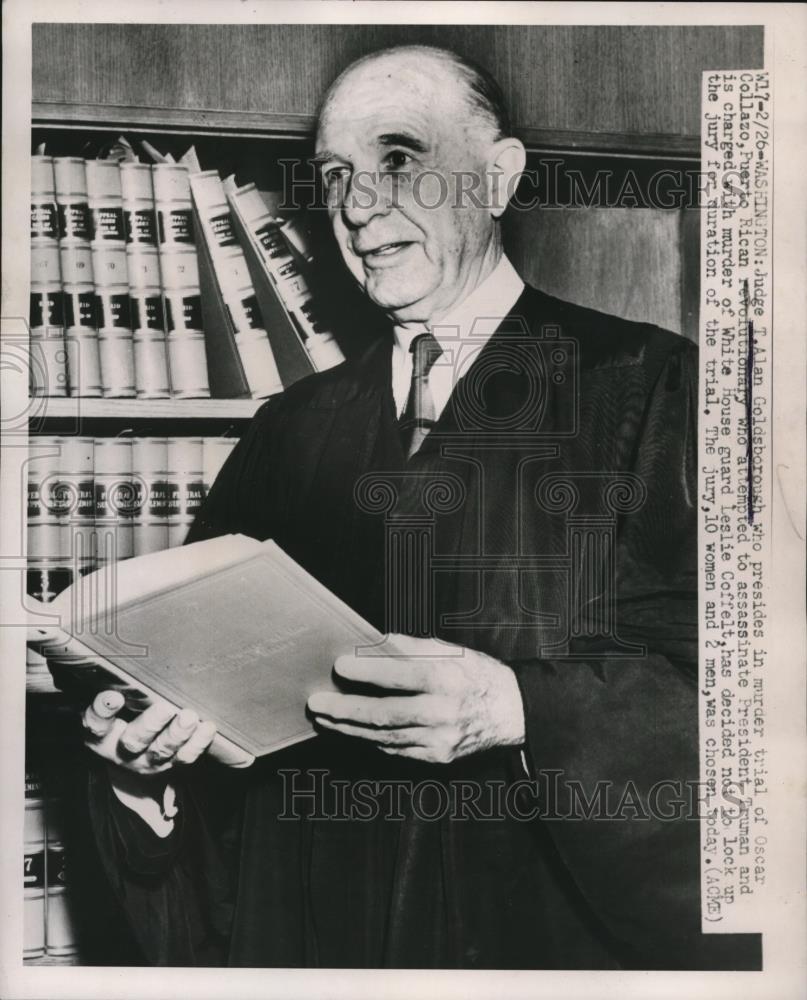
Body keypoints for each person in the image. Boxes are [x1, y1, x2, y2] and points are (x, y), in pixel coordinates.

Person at [77, 45, 759, 970]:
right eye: (334, 176)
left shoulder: (656, 393)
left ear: (498, 176)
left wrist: (516, 707)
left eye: (399, 160)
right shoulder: (290, 434)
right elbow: (224, 757)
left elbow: (757, 710)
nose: (357, 207)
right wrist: (144, 769)